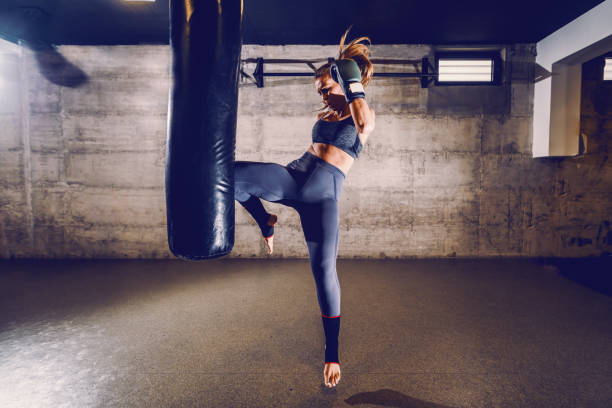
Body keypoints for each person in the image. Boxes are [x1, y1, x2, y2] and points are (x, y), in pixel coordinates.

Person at [234, 25, 375, 388]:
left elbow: (360, 121)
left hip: (322, 198)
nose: (324, 96)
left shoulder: (364, 115)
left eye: (327, 89)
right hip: (293, 177)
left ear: (343, 84)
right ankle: (266, 220)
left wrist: (351, 82)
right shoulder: (326, 115)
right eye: (320, 91)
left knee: (324, 271)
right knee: (231, 176)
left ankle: (332, 354)